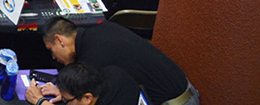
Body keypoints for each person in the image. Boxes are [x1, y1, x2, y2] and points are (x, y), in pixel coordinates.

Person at [38, 18, 198, 105]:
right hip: (184, 88)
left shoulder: (94, 60)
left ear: (59, 40)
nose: (53, 57)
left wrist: (46, 100)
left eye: (51, 49)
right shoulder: (101, 28)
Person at [26, 63, 143, 105]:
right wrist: (64, 91)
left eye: (67, 101)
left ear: (87, 98)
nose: (64, 102)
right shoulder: (111, 72)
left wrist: (40, 101)